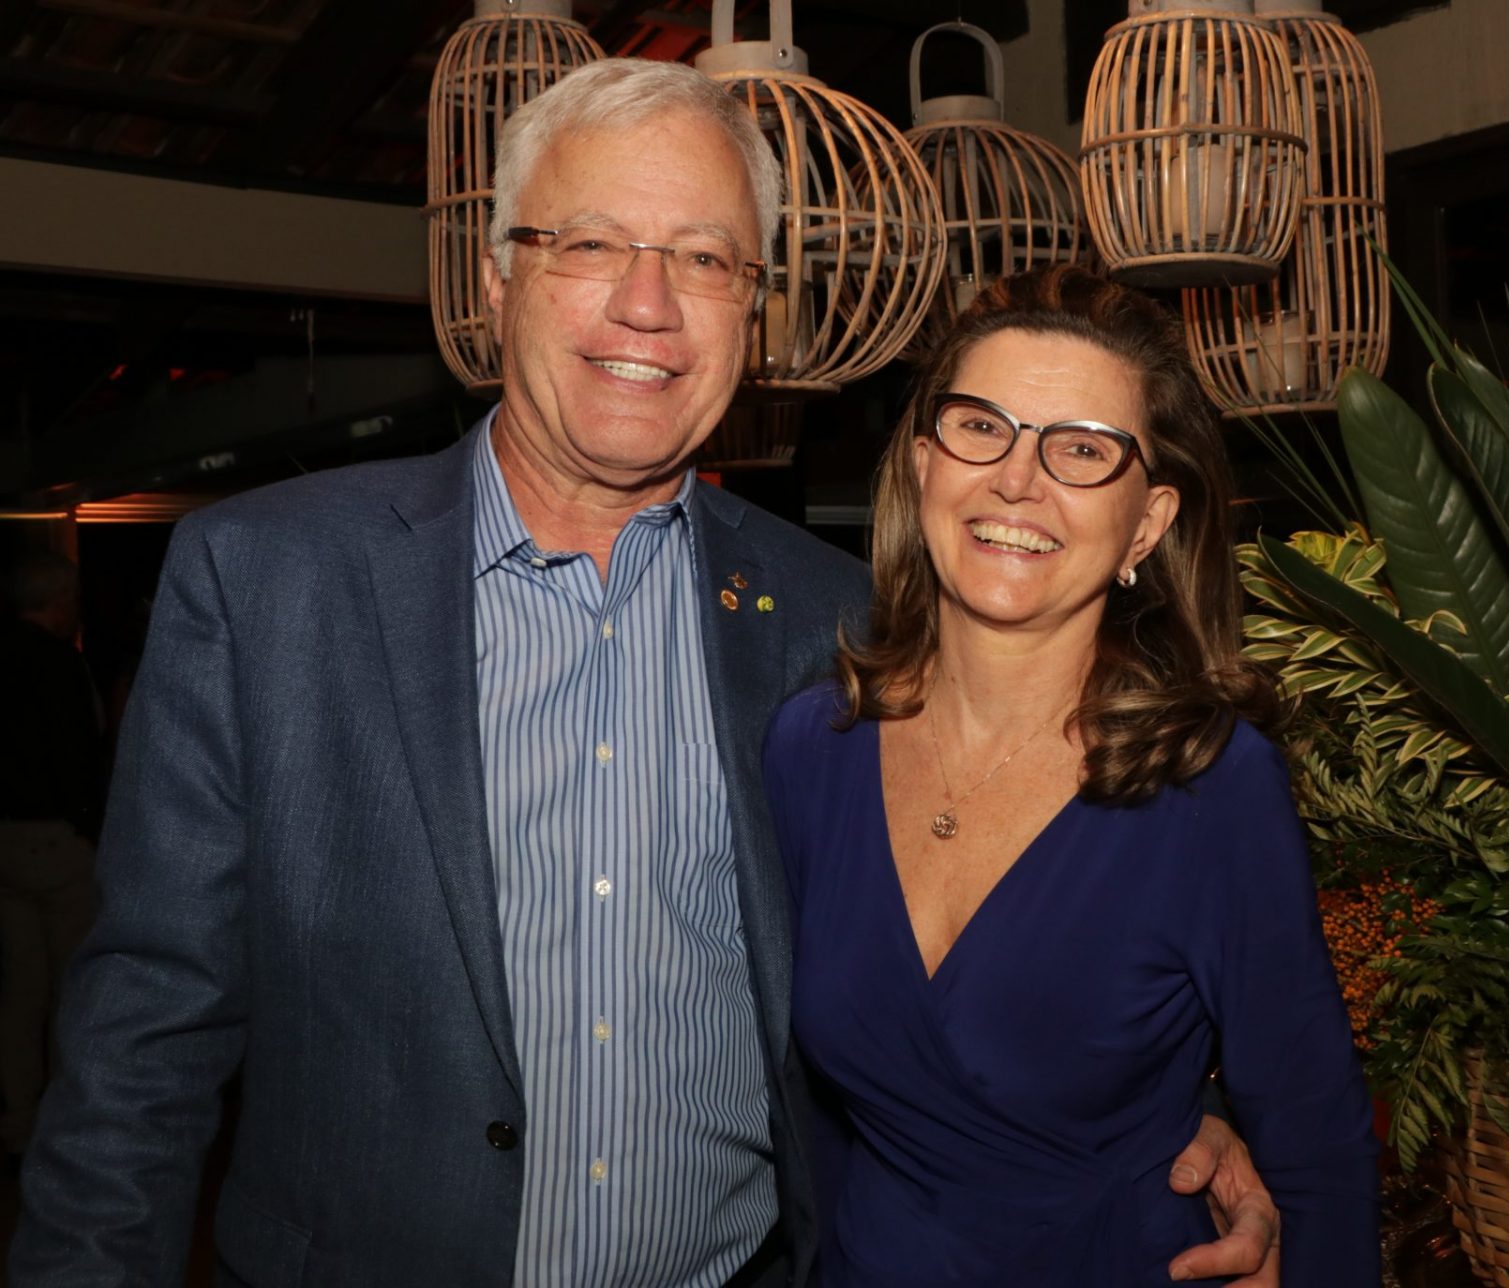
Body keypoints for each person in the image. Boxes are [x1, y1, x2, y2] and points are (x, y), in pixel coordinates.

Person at [11, 60, 1281, 1287]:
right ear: (499, 278)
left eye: (705, 259)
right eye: (591, 243)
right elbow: (145, 1037)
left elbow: (1000, 927)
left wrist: (1170, 1113)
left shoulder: (835, 619)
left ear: (752, 312)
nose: (649, 304)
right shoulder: (268, 580)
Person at [763, 266, 1382, 1286]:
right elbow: (805, 1120)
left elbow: (1318, 1149)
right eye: (981, 428)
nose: (1018, 479)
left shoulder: (1211, 788)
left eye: (1083, 449)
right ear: (923, 467)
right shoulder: (810, 748)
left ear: (1147, 523)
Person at [0, 548, 104, 1167]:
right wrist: (90, 828)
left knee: (20, 991)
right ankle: (71, 1131)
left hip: (5, 842)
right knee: (75, 987)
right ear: (59, 599)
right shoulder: (60, 664)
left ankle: (17, 1123)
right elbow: (77, 756)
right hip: (58, 842)